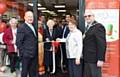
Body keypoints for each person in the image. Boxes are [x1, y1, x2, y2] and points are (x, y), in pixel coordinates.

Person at [83, 10, 106, 77]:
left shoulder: (98, 27)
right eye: (85, 16)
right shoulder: (88, 27)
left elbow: (102, 44)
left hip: (94, 60)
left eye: (89, 16)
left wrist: (100, 59)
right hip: (87, 58)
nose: (87, 17)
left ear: (93, 16)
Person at [16, 11, 38, 77]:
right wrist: (24, 53)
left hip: (34, 54)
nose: (30, 18)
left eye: (31, 16)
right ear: (24, 17)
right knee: (24, 73)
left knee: (33, 72)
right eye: (28, 16)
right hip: (26, 55)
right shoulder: (22, 27)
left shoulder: (33, 26)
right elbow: (18, 42)